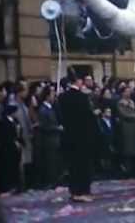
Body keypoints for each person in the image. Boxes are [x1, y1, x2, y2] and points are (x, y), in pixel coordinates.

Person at [59, 74, 99, 202]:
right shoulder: (82, 97)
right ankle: (82, 191)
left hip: (69, 136)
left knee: (73, 165)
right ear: (79, 81)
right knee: (83, 165)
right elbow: (87, 117)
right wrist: (94, 115)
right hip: (82, 137)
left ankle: (75, 191)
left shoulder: (62, 97)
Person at [37, 85, 62, 189]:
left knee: (55, 162)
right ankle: (52, 183)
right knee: (50, 163)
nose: (54, 96)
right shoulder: (43, 109)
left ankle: (55, 182)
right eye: (52, 94)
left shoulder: (51, 108)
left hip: (54, 139)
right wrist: (57, 128)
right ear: (47, 96)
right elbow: (44, 126)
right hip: (49, 140)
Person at [0, 102, 24, 193]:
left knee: (17, 166)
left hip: (17, 146)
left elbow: (20, 132)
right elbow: (4, 136)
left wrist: (21, 142)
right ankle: (9, 186)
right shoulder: (3, 122)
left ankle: (17, 186)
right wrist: (13, 142)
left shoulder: (16, 121)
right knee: (9, 167)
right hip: (8, 147)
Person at [117, 86, 135, 177]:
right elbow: (124, 114)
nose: (128, 93)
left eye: (129, 91)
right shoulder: (120, 103)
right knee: (127, 150)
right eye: (126, 91)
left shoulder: (132, 102)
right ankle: (127, 171)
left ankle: (134, 171)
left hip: (134, 127)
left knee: (134, 149)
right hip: (125, 127)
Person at [14, 82, 33, 191]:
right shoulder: (14, 106)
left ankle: (26, 185)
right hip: (20, 138)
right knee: (21, 163)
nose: (26, 92)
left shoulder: (23, 104)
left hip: (27, 136)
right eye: (25, 89)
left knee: (27, 162)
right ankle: (21, 186)